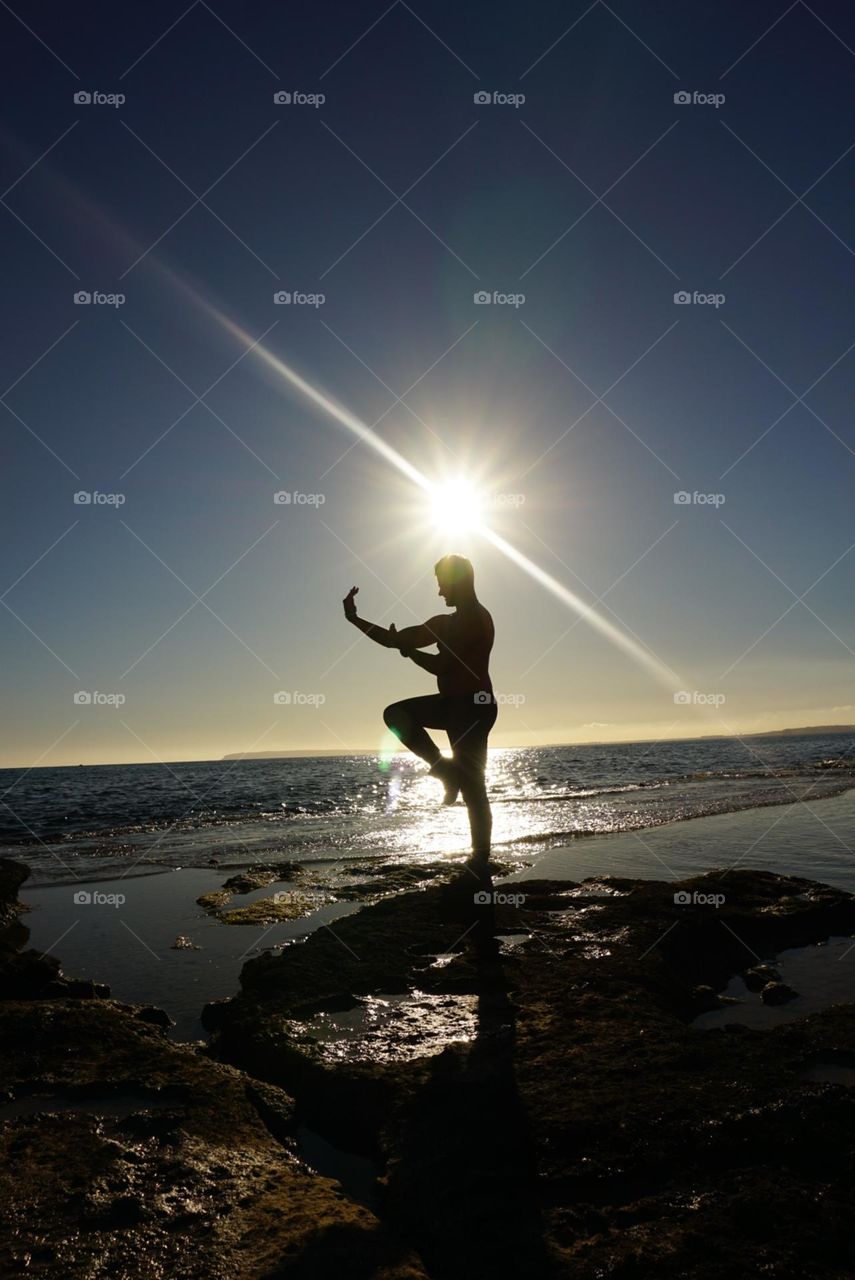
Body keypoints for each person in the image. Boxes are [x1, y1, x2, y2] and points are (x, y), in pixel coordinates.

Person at [343, 554, 497, 867]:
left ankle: (480, 859)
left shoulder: (476, 619)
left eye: (443, 585)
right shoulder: (443, 623)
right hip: (452, 706)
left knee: (474, 787)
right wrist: (355, 619)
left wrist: (411, 653)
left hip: (474, 707)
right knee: (396, 714)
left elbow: (444, 664)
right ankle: (444, 769)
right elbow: (392, 639)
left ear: (459, 581)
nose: (440, 592)